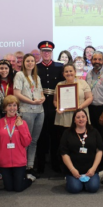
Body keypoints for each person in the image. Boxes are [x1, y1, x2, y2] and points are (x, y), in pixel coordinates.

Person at [0, 95, 36, 192]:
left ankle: (29, 179)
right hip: (4, 162)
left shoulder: (22, 123)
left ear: (17, 107)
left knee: (18, 188)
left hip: (19, 162)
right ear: (5, 108)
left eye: (14, 105)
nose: (12, 108)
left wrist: (21, 128)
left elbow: (26, 142)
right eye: (9, 105)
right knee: (9, 188)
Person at [54, 64, 93, 168]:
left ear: (75, 72)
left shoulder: (83, 83)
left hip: (80, 116)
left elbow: (89, 98)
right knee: (66, 143)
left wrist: (80, 107)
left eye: (71, 71)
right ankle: (66, 167)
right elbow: (55, 100)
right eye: (66, 71)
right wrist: (58, 107)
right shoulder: (59, 84)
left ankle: (82, 165)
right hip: (64, 118)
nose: (69, 73)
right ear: (63, 74)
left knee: (80, 142)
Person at [13, 53, 45, 177]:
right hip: (27, 110)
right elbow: (17, 94)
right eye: (28, 61)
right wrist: (32, 101)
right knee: (25, 140)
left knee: (34, 140)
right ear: (23, 63)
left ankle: (30, 166)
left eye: (32, 61)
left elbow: (41, 92)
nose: (30, 63)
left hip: (39, 111)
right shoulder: (20, 75)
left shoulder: (36, 77)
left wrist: (42, 98)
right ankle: (23, 164)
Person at [36, 41, 65, 173]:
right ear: (41, 53)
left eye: (48, 51)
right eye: (44, 51)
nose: (46, 53)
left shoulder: (59, 67)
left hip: (55, 105)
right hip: (40, 105)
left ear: (52, 52)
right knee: (41, 136)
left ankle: (55, 163)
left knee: (55, 137)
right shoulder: (36, 68)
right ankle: (40, 164)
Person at [60, 109, 103, 193]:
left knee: (93, 188)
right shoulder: (67, 133)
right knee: (75, 189)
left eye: (83, 117)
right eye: (78, 117)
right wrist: (72, 169)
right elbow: (64, 153)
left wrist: (93, 169)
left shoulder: (94, 132)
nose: (81, 119)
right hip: (74, 169)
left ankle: (88, 181)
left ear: (87, 119)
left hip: (90, 169)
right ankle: (73, 180)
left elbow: (100, 150)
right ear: (74, 120)